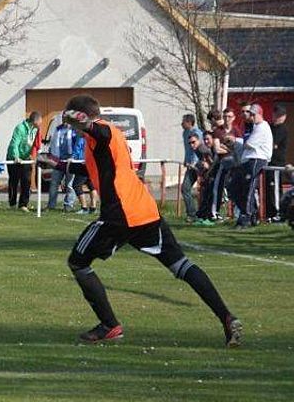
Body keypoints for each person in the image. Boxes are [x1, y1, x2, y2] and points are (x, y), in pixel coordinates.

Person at [61, 94, 241, 347]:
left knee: (78, 262)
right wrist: (60, 165)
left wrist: (83, 121)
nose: (72, 129)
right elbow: (94, 169)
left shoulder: (102, 130)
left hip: (120, 214)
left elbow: (98, 130)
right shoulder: (103, 139)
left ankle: (109, 325)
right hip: (145, 211)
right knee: (180, 264)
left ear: (84, 118)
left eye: (74, 124)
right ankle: (227, 317)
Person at [229, 103, 273, 229]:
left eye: (253, 114)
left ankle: (246, 217)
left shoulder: (262, 127)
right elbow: (245, 143)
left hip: (257, 159)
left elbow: (249, 144)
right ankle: (252, 213)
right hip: (247, 160)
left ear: (259, 114)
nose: (251, 117)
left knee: (248, 189)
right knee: (233, 188)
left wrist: (238, 141)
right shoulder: (254, 127)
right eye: (250, 114)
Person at [6, 111, 40, 211]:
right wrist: (16, 157)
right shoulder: (20, 128)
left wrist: (33, 155)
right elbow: (15, 143)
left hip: (26, 159)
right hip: (13, 158)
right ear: (35, 121)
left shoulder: (35, 129)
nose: (41, 123)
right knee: (14, 181)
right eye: (40, 121)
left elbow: (35, 144)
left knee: (26, 181)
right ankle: (12, 203)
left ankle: (23, 204)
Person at [47, 118, 76, 211]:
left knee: (69, 184)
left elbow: (78, 145)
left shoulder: (75, 129)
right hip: (58, 161)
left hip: (71, 160)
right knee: (54, 183)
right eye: (64, 119)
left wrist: (74, 157)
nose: (65, 121)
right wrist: (52, 156)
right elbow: (53, 144)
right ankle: (51, 205)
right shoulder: (58, 129)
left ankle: (68, 205)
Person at [180, 114, 204, 222]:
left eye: (183, 122)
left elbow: (197, 148)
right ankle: (192, 213)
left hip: (198, 164)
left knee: (203, 189)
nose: (181, 124)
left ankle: (204, 213)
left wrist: (194, 162)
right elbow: (188, 149)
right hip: (190, 165)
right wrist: (186, 160)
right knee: (185, 188)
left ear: (189, 123)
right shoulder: (185, 133)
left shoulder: (197, 133)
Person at [267, 106, 289, 222]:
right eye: (275, 115)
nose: (277, 118)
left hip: (277, 163)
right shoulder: (269, 127)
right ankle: (269, 213)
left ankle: (278, 213)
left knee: (275, 189)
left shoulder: (282, 130)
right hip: (268, 162)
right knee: (268, 189)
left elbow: (273, 145)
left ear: (284, 117)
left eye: (279, 116)